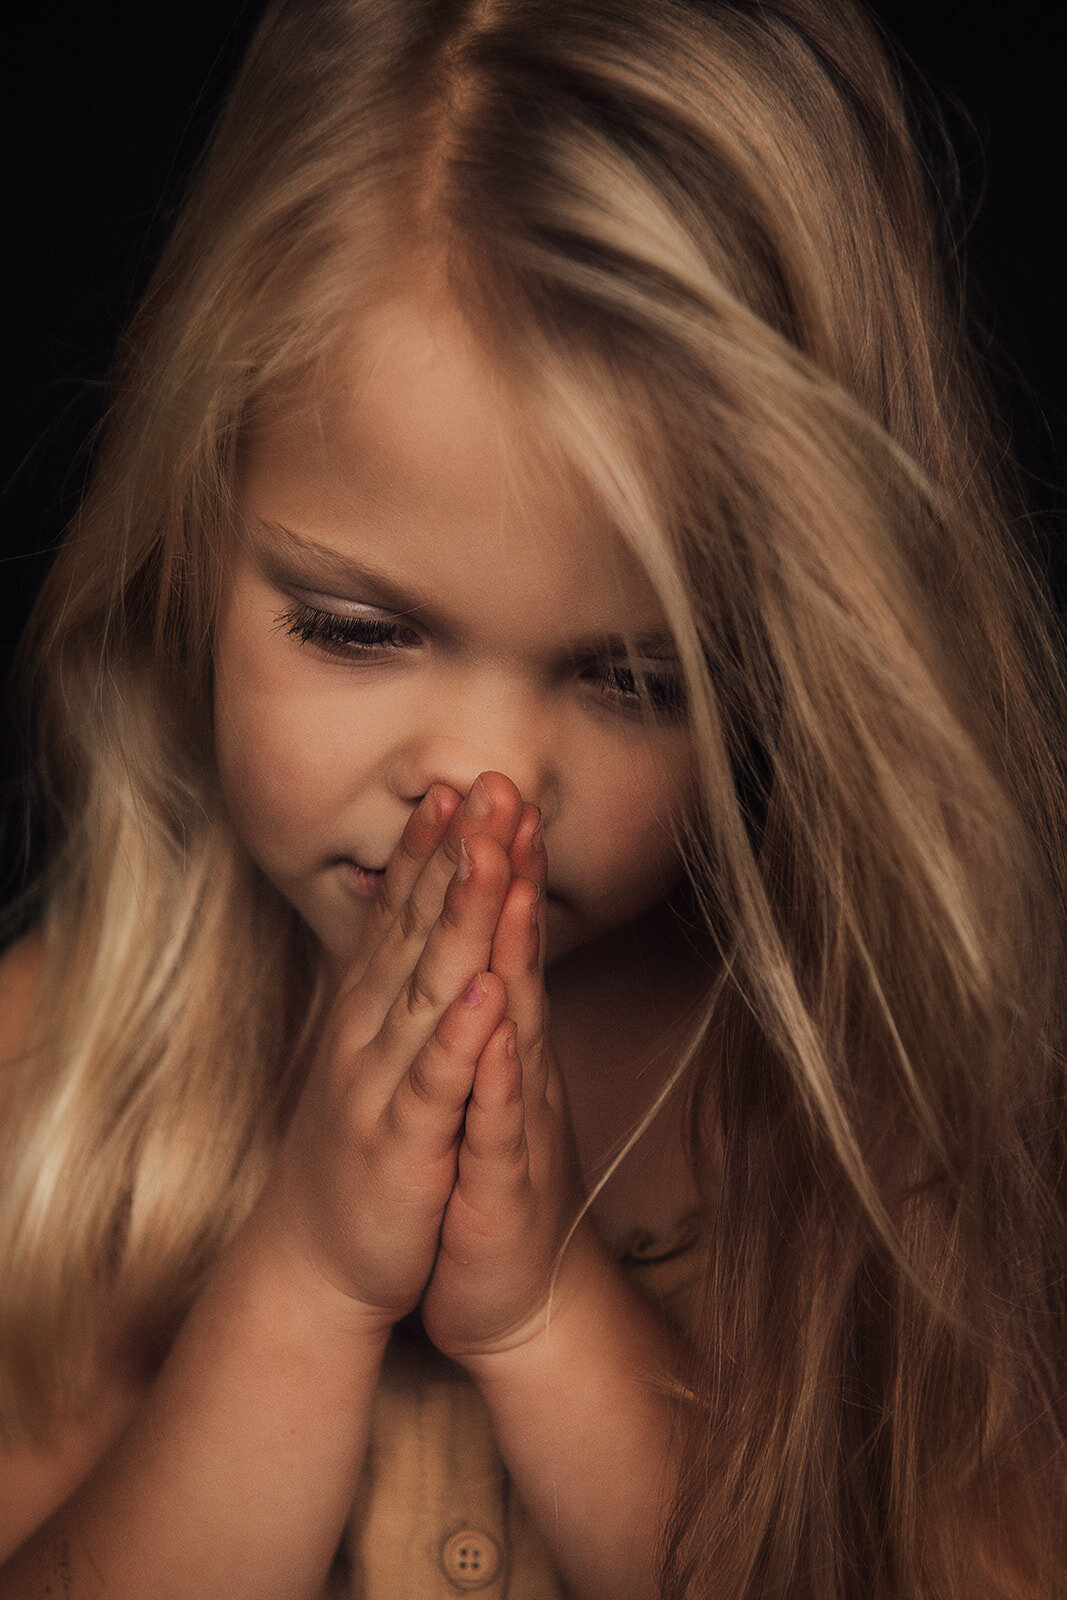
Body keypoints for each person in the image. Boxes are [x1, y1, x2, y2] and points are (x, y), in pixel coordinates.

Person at [1, 0, 1064, 1594]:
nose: (487, 791)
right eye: (360, 631)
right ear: (186, 530)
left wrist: (544, 1311)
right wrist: (302, 1278)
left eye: (635, 678)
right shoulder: (61, 1087)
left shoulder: (895, 1127)